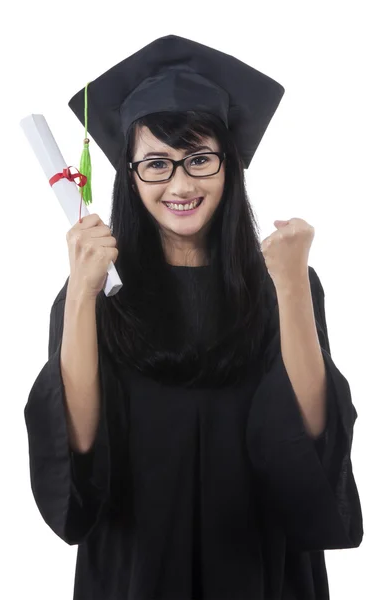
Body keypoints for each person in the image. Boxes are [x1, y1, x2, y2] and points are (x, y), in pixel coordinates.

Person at [24, 35, 363, 600]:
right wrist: (82, 296)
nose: (180, 184)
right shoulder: (95, 291)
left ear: (230, 165)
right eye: (156, 163)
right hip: (136, 565)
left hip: (260, 567)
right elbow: (78, 453)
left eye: (200, 158)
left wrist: (293, 288)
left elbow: (311, 441)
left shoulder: (279, 281)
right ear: (129, 175)